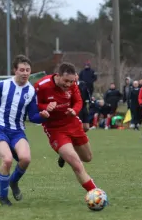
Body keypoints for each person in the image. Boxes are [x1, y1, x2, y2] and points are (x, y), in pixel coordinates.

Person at [0, 55, 50, 206]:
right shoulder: (4, 85)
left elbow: (33, 116)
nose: (25, 73)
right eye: (22, 70)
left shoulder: (30, 91)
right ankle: (3, 198)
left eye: (28, 70)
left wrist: (43, 116)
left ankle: (13, 182)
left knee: (26, 159)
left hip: (17, 131)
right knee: (8, 159)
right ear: (15, 70)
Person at [35, 62, 101, 194]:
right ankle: (95, 193)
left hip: (73, 123)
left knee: (87, 157)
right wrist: (44, 108)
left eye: (71, 82)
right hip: (55, 129)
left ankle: (64, 156)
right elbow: (33, 105)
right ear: (58, 76)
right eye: (66, 81)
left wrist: (74, 110)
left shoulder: (73, 83)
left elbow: (78, 101)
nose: (68, 85)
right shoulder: (41, 86)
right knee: (76, 164)